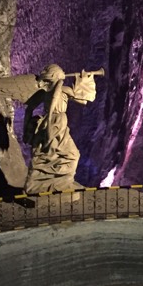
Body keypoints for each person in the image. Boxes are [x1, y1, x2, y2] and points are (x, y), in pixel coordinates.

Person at [22, 64, 97, 193]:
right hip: (55, 124)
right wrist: (84, 81)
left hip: (52, 123)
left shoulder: (48, 92)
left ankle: (55, 183)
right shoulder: (62, 90)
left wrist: (27, 125)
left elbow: (29, 108)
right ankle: (55, 183)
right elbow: (83, 100)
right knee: (69, 155)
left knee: (50, 154)